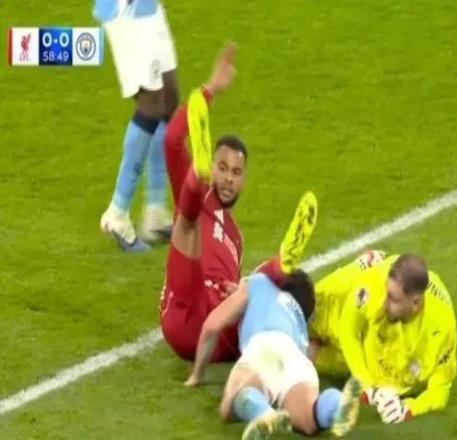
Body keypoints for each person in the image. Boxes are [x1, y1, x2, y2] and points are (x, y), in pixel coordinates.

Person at [160, 44, 319, 363]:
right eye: (222, 168)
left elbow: (236, 292)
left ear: (244, 180)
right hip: (185, 311)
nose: (229, 179)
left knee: (256, 287)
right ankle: (197, 176)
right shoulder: (206, 201)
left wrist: (238, 290)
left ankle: (281, 264)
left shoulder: (236, 238)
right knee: (188, 223)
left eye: (236, 172)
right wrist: (210, 89)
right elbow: (172, 141)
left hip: (217, 332)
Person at [185, 270, 362, 440]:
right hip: (298, 361)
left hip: (265, 350)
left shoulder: (259, 282)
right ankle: (335, 406)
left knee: (230, 405)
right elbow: (311, 353)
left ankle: (262, 412)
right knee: (309, 420)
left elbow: (212, 326)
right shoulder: (300, 321)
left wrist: (196, 375)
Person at [308, 251, 457, 424]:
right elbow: (348, 331)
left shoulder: (441, 327)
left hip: (384, 358)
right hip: (350, 319)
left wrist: (408, 409)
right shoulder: (373, 285)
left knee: (308, 358)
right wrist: (366, 385)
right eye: (386, 292)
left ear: (415, 303)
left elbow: (440, 390)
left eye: (393, 299)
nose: (385, 302)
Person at [94, 0, 179, 252]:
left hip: (148, 7)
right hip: (126, 10)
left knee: (168, 96)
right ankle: (117, 214)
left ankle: (155, 213)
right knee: (151, 103)